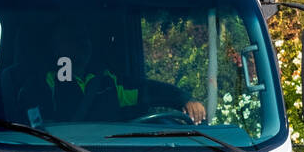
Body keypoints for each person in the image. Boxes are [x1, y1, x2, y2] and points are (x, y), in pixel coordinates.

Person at [18, 22, 206, 125]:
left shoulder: (108, 80)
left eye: (84, 38)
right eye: (71, 39)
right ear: (55, 47)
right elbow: (38, 131)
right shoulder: (41, 83)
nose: (81, 43)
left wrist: (184, 99)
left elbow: (150, 90)